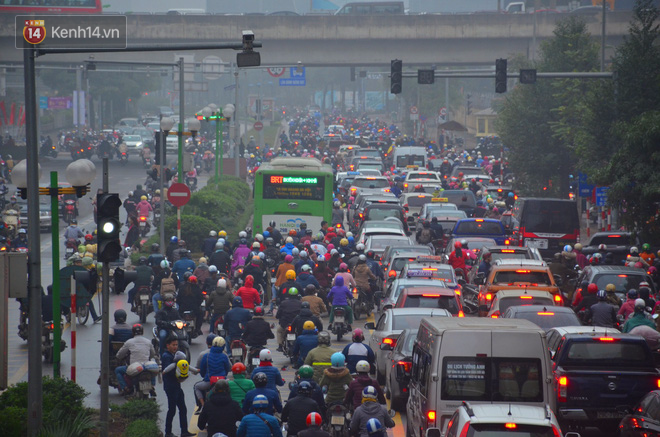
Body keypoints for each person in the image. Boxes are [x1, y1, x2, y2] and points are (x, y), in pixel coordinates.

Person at [161, 336, 197, 437]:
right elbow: (169, 371)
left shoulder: (175, 355)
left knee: (183, 408)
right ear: (168, 345)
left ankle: (184, 432)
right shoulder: (166, 356)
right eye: (173, 345)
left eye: (176, 345)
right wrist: (180, 376)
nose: (175, 347)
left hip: (176, 386)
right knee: (172, 410)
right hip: (171, 387)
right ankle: (168, 432)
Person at [115, 324, 159, 396]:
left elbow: (119, 355)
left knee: (118, 370)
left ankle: (125, 388)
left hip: (134, 368)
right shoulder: (148, 342)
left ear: (132, 332)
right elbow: (152, 354)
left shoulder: (129, 342)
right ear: (142, 332)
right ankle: (152, 386)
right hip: (146, 367)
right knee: (152, 368)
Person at [196, 336, 232, 409]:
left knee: (197, 387)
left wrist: (205, 377)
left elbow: (202, 371)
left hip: (209, 382)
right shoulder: (224, 356)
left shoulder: (206, 356)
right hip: (223, 382)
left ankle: (202, 405)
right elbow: (228, 368)